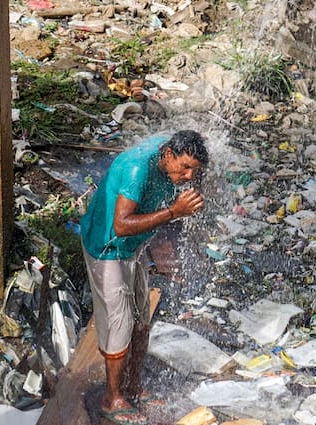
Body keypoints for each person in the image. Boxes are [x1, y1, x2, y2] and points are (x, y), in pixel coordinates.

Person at [79, 130, 209, 424]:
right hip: (108, 248)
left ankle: (133, 387)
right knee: (119, 323)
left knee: (141, 321)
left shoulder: (171, 156)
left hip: (133, 249)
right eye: (184, 168)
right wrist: (174, 212)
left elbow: (190, 174)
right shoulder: (138, 168)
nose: (188, 176)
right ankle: (111, 399)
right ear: (167, 155)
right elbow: (122, 225)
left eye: (194, 171)